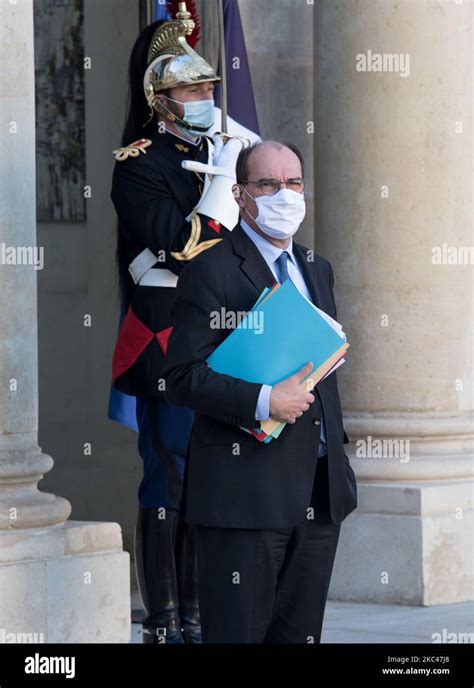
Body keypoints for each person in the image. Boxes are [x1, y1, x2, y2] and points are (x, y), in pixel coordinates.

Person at [163, 140, 358, 643]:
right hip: (244, 494)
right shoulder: (210, 271)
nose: (284, 195)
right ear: (240, 194)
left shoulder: (318, 267)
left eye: (293, 183)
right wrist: (264, 400)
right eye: (268, 184)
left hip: (318, 491)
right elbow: (181, 377)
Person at [109, 4, 256, 644]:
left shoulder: (221, 151)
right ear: (159, 96)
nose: (206, 97)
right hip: (166, 336)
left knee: (210, 475)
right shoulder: (139, 162)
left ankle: (200, 616)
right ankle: (164, 622)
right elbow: (173, 242)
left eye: (208, 88)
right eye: (193, 88)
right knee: (168, 472)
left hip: (220, 335)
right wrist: (223, 196)